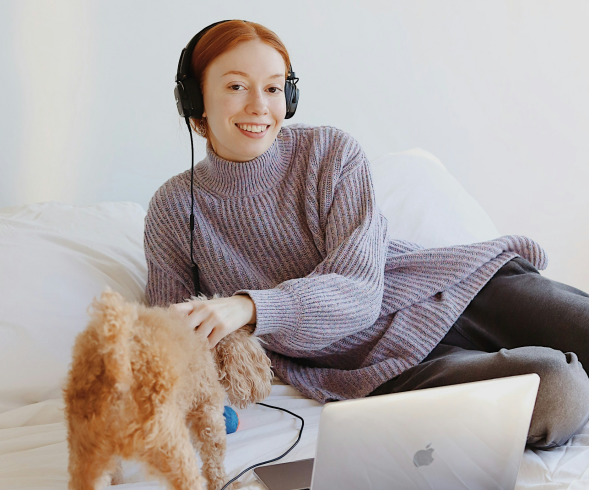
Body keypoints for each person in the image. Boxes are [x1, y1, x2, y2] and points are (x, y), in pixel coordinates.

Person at [144, 20, 589, 450]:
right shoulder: (173, 209)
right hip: (377, 370)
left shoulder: (330, 153)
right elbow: (171, 339)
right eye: (237, 86)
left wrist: (252, 306)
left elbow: (359, 292)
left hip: (459, 293)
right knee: (558, 393)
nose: (260, 105)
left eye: (274, 87)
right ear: (195, 98)